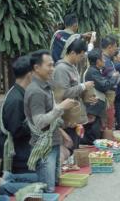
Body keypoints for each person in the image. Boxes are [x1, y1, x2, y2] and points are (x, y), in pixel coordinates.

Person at [24, 50, 76, 193]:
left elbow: (51, 116)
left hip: (52, 142)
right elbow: (39, 122)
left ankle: (12, 180)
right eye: (50, 65)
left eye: (53, 65)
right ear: (36, 68)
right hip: (44, 147)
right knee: (48, 188)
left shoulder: (45, 86)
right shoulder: (35, 91)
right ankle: (8, 183)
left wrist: (62, 124)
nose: (53, 69)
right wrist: (61, 107)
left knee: (53, 183)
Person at [0, 55, 39, 196]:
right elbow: (17, 131)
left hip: (25, 154)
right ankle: (5, 184)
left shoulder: (22, 94)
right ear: (30, 74)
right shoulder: (15, 99)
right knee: (44, 184)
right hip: (18, 158)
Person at [82, 49, 120, 144]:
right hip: (93, 110)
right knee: (93, 134)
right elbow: (105, 85)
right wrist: (114, 77)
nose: (104, 61)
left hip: (96, 109)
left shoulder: (94, 70)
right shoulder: (93, 72)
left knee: (96, 132)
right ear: (98, 61)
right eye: (102, 59)